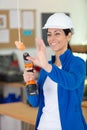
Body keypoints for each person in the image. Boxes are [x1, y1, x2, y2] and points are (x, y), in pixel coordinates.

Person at [23, 13, 87, 130]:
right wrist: (30, 82)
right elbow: (35, 102)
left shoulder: (78, 63)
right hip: (44, 126)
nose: (52, 39)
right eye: (49, 34)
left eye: (57, 33)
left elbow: (71, 82)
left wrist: (46, 66)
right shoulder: (47, 67)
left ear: (69, 36)